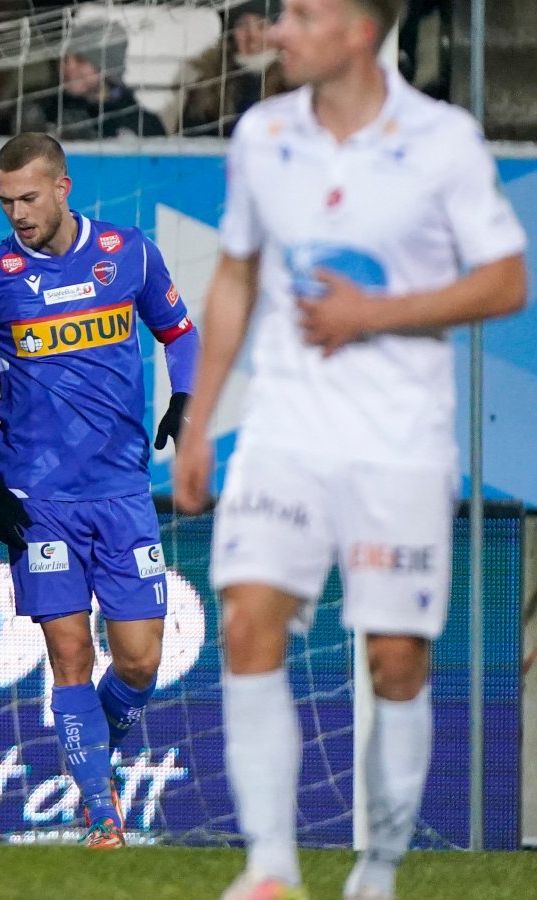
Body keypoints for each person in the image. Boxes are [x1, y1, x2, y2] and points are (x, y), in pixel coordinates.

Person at [170, 0, 527, 896]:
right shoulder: (263, 134)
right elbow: (237, 274)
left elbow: (505, 280)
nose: (280, 30)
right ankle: (270, 867)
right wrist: (200, 422)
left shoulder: (442, 140)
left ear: (360, 32)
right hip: (285, 428)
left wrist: (374, 314)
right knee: (246, 619)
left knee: (395, 660)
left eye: (302, 14)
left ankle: (378, 867)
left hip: (398, 439)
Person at [0, 132, 197, 850]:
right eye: (6, 202)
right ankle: (101, 816)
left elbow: (180, 333)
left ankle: (95, 752)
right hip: (38, 499)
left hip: (122, 491)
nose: (18, 214)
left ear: (62, 188)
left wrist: (184, 397)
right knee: (69, 656)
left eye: (29, 198)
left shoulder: (130, 253)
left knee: (140, 662)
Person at [35, 19, 166, 140]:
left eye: (81, 60)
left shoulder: (141, 123)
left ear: (107, 67)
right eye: (64, 60)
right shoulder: (45, 112)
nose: (68, 68)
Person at [180, 0, 290, 137]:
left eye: (262, 25)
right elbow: (190, 137)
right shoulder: (210, 83)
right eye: (242, 26)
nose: (252, 36)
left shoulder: (297, 83)